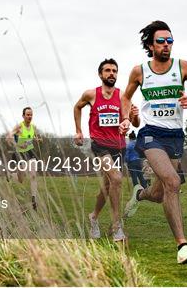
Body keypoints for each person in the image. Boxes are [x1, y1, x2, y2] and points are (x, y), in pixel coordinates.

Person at [120, 20, 187, 264]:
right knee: (172, 181)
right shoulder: (140, 71)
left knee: (160, 194)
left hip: (175, 136)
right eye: (161, 41)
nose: (167, 45)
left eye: (170, 41)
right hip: (150, 133)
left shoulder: (183, 67)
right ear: (150, 45)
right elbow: (125, 97)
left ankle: (140, 194)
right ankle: (183, 246)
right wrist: (127, 118)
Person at [73, 58, 140, 242]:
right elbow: (77, 107)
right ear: (100, 74)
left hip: (118, 146)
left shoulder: (123, 96)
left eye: (114, 71)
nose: (111, 74)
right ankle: (117, 226)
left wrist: (134, 117)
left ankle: (93, 217)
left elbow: (134, 123)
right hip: (99, 145)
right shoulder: (91, 95)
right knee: (117, 178)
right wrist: (79, 130)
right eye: (108, 70)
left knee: (108, 185)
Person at [6, 107, 41, 210]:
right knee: (21, 179)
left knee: (33, 175)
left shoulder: (33, 127)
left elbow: (36, 137)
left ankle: (34, 199)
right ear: (23, 116)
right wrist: (18, 145)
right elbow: (8, 138)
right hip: (20, 154)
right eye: (28, 115)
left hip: (30, 153)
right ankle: (11, 175)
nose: (30, 116)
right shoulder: (19, 127)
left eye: (31, 115)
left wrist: (38, 139)